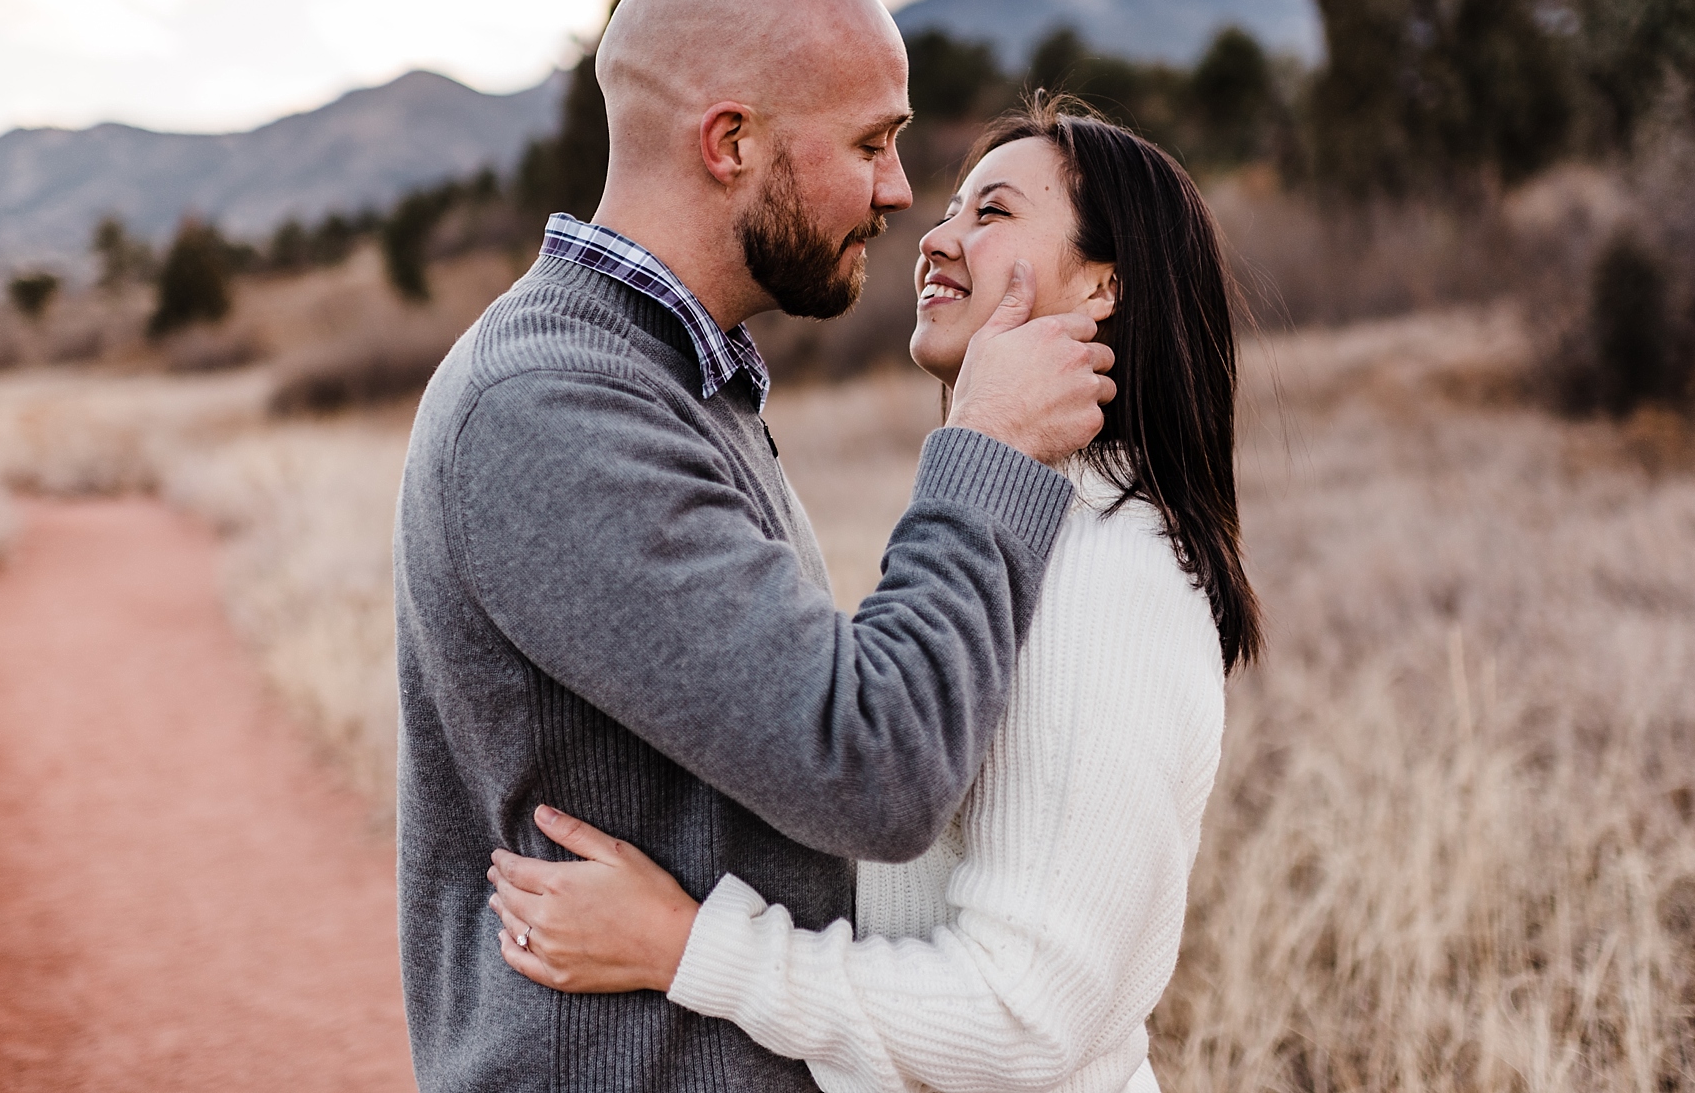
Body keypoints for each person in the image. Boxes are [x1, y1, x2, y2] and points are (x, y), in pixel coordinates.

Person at [393, 0, 1118, 1092]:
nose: (897, 191)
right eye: (870, 143)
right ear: (730, 142)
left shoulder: (670, 377)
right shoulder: (553, 409)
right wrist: (984, 448)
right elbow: (870, 765)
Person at [485, 99, 1262, 1093]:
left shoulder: (1106, 569)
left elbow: (1022, 1019)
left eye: (990, 212)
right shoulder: (1025, 520)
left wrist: (685, 945)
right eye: (950, 207)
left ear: (1101, 283)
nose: (933, 236)